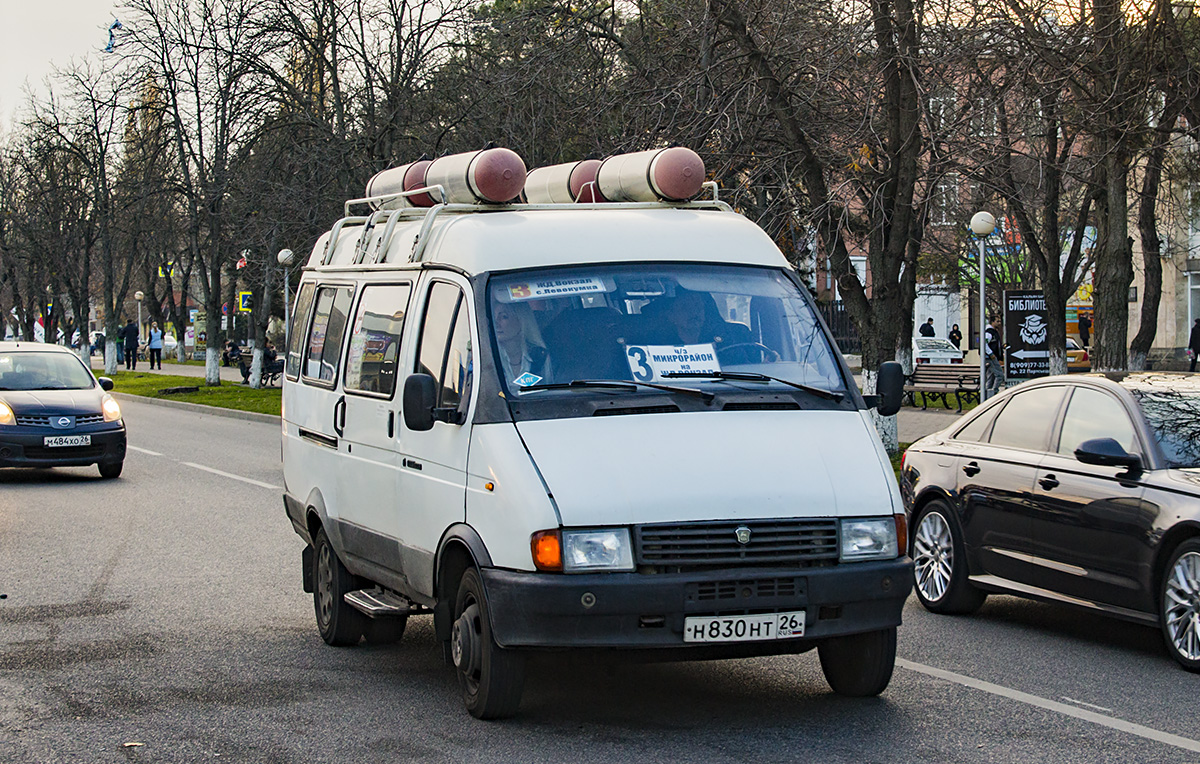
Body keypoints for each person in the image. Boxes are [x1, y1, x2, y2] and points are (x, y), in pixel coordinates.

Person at [492, 301, 552, 386]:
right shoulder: (490, 356)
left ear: (522, 320)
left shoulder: (539, 355)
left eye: (504, 317)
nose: (496, 323)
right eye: (494, 318)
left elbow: (549, 389)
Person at [984, 317, 1003, 398]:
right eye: (997, 321)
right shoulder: (989, 332)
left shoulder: (994, 332)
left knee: (991, 377)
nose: (999, 323)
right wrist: (991, 353)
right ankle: (994, 392)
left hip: (991, 356)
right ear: (992, 322)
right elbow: (984, 343)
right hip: (990, 357)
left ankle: (987, 393)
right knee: (1000, 375)